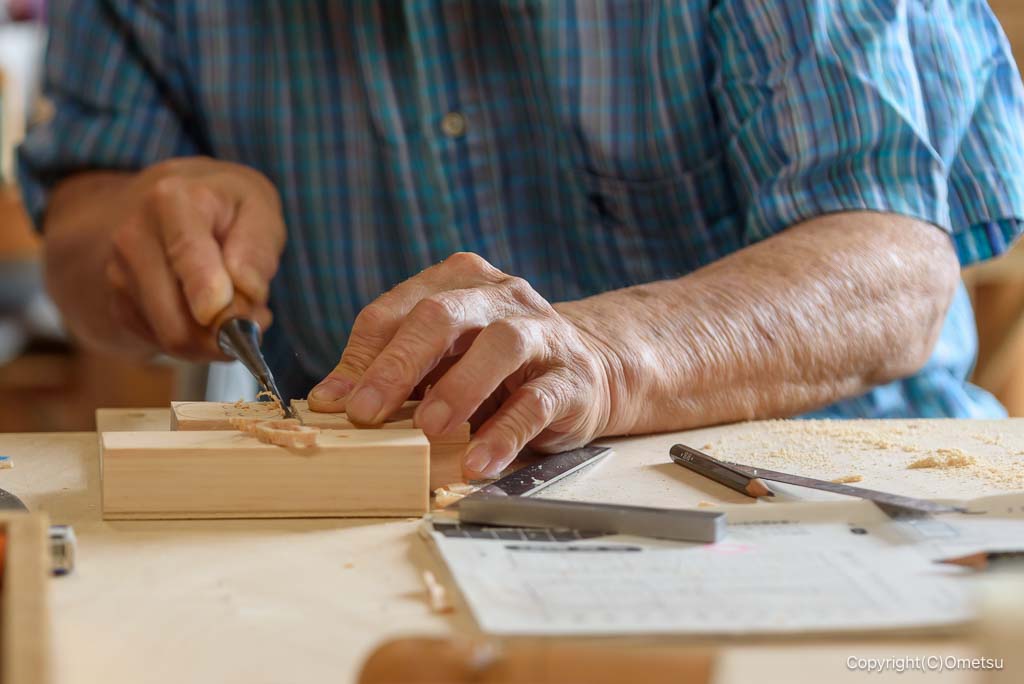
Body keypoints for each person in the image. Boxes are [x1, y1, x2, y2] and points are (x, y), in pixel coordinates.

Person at [19, 1, 1024, 479]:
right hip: (394, 517)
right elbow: (81, 214)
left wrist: (613, 358)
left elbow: (896, 273)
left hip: (830, 498)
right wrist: (138, 225)